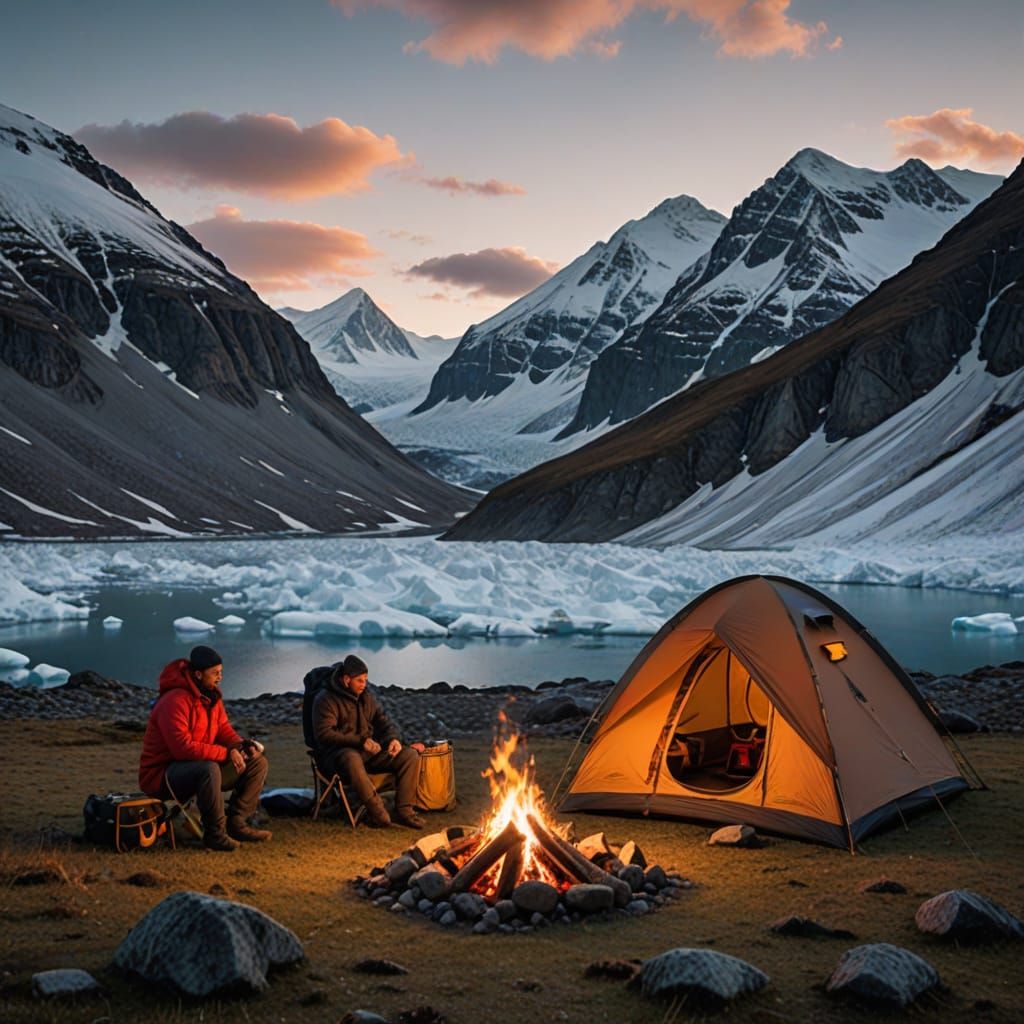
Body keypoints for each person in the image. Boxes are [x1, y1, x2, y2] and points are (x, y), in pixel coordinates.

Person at [139, 645, 271, 851]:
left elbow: (223, 729)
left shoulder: (212, 697)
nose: (220, 677)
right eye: (215, 673)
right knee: (208, 769)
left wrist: (240, 745)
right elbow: (182, 749)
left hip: (199, 770)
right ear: (198, 674)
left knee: (256, 763)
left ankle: (236, 824)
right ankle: (215, 834)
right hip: (163, 775)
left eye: (221, 672)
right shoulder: (174, 701)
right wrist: (227, 753)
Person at [312, 654, 424, 829]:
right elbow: (325, 734)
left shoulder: (366, 697)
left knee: (409, 755)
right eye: (360, 681)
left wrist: (393, 739)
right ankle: (379, 815)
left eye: (366, 680)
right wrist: (360, 741)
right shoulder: (326, 699)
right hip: (336, 757)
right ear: (346, 679)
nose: (364, 684)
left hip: (368, 753)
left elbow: (383, 721)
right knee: (351, 757)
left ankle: (404, 811)